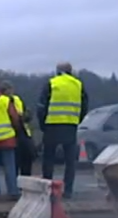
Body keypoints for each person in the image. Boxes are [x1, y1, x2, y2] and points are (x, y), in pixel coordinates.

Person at [37, 61, 88, 198]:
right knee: (70, 161)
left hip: (51, 125)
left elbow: (42, 106)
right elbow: (84, 107)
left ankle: (48, 189)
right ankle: (68, 190)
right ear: (71, 71)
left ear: (57, 71)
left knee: (48, 159)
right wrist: (77, 120)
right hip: (70, 126)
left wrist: (42, 125)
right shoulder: (78, 85)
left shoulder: (51, 83)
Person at [0, 81, 36, 177]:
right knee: (14, 162)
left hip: (23, 133)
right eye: (9, 90)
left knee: (27, 159)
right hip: (10, 134)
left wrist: (26, 115)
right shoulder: (0, 102)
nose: (11, 91)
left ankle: (25, 182)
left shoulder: (17, 99)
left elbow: (25, 112)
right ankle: (14, 185)